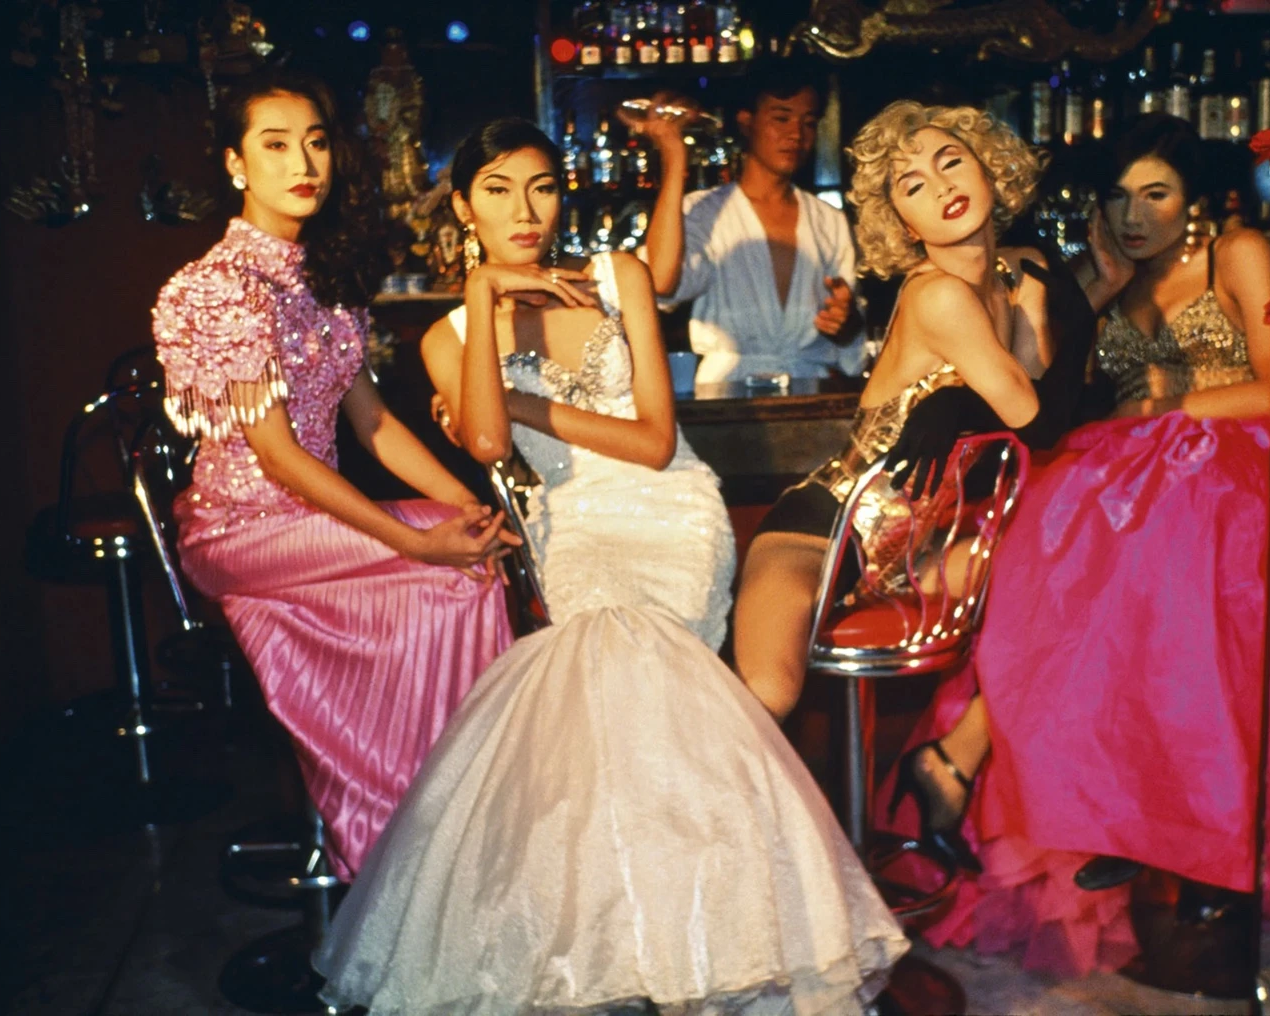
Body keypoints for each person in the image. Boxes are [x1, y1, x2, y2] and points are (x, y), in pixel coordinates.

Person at [312, 118, 909, 1015]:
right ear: (466, 205)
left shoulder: (615, 276)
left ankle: (691, 959)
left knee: (625, 675)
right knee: (599, 693)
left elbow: (652, 439)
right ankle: (616, 960)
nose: (526, 208)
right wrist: (482, 297)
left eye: (543, 186)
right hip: (573, 530)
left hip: (673, 517)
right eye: (500, 189)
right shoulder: (449, 331)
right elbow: (480, 441)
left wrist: (514, 396)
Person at [873, 114, 1270, 975]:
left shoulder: (1236, 253)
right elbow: (1049, 387)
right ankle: (1120, 814)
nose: (1134, 214)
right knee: (1063, 569)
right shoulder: (1103, 276)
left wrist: (1160, 414)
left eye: (1155, 194)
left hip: (1220, 460)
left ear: (1196, 200)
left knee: (1164, 583)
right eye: (1116, 196)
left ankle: (1012, 772)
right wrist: (1092, 291)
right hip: (1123, 464)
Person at [151, 70, 517, 881]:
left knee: (472, 558)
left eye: (314, 141)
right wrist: (416, 542)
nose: (301, 161)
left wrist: (476, 507)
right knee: (449, 568)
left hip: (311, 522)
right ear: (236, 165)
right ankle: (399, 834)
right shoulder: (216, 288)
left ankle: (439, 822)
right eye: (275, 145)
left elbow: (376, 425)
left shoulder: (318, 276)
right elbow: (279, 458)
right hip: (241, 528)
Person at [735, 100, 1130, 727]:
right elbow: (1038, 418)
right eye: (913, 185)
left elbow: (1039, 404)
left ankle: (956, 769)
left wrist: (1084, 292)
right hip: (826, 530)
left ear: (991, 172)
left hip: (923, 550)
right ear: (906, 225)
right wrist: (965, 393)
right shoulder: (938, 295)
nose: (942, 186)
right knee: (764, 697)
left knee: (1084, 574)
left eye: (951, 162)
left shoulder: (1011, 273)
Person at [646, 63, 864, 383]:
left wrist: (846, 324)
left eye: (808, 122)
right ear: (747, 122)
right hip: (726, 395)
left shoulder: (828, 221)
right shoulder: (704, 211)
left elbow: (852, 337)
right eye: (781, 118)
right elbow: (661, 284)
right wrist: (674, 157)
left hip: (810, 393)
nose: (796, 134)